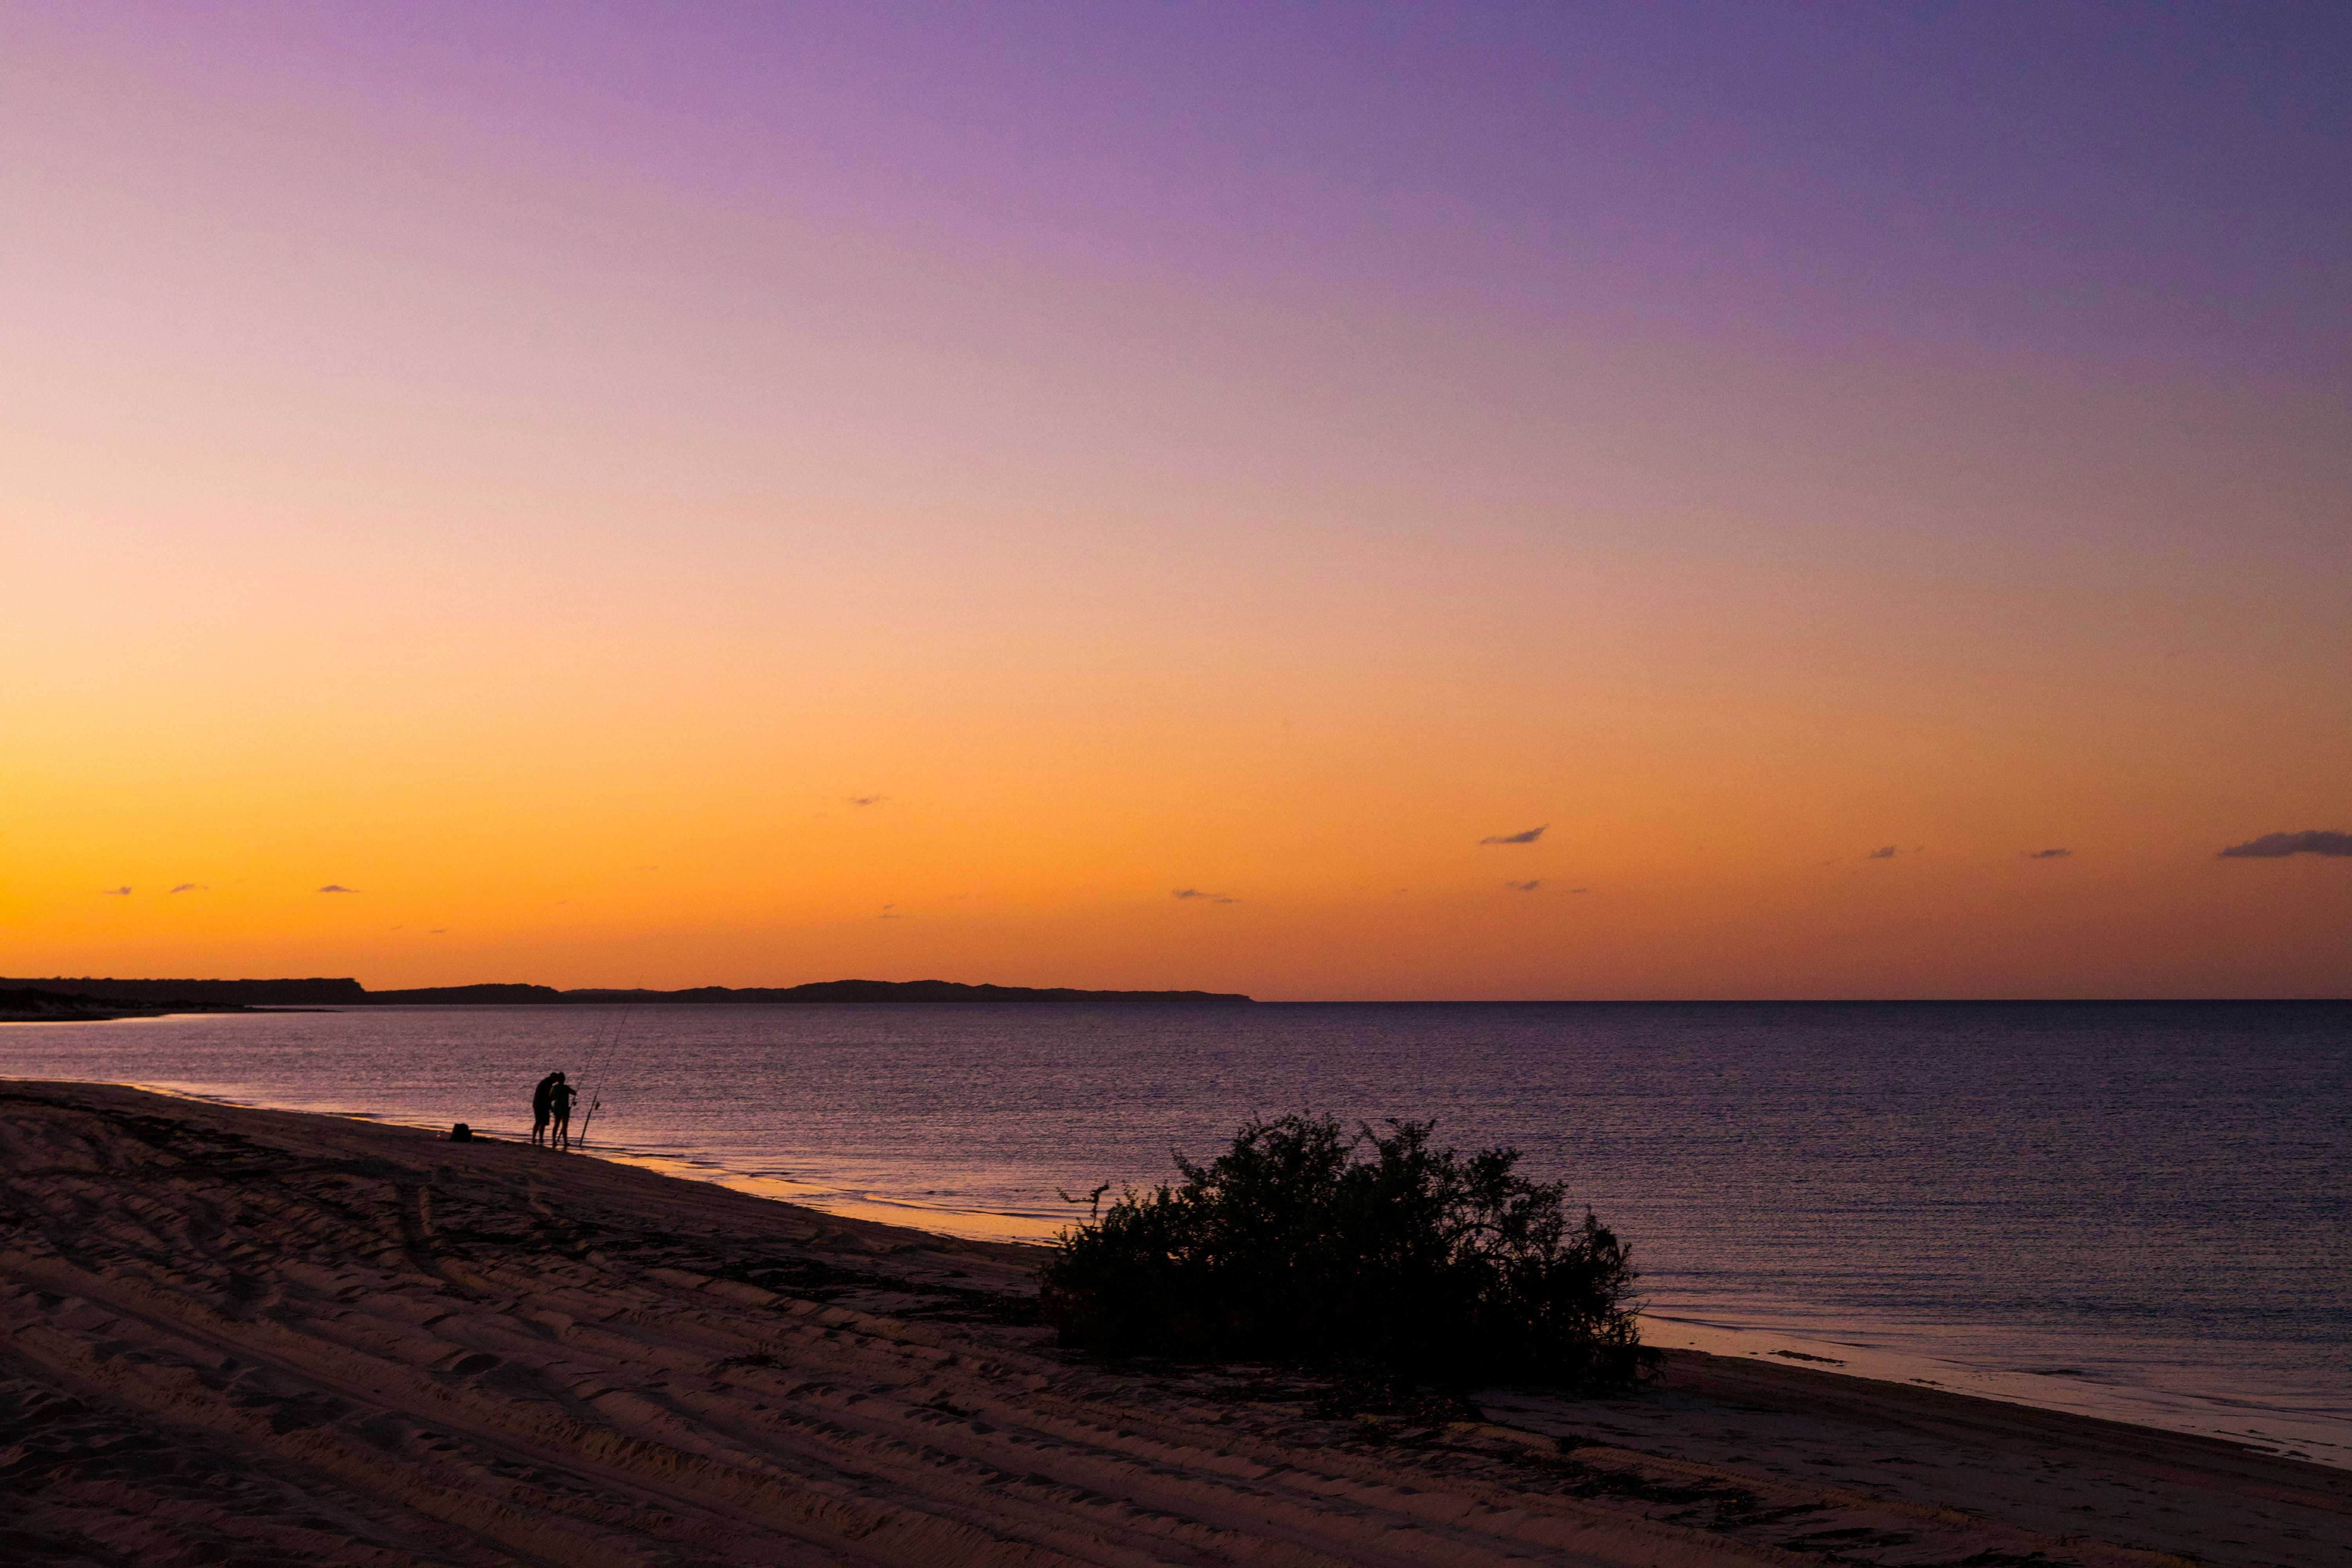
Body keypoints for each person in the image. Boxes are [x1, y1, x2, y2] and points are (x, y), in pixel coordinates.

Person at [531, 1071, 561, 1146]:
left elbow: (547, 1097)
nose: (557, 1081)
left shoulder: (547, 1083)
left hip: (539, 1104)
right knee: (540, 1122)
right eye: (556, 1079)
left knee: (541, 1122)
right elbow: (547, 1097)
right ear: (553, 1077)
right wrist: (551, 1107)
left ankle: (538, 1138)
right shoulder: (547, 1084)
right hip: (540, 1104)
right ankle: (537, 1138)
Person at [548, 1073, 577, 1151]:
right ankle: (565, 1142)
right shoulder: (566, 1088)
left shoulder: (554, 1088)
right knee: (564, 1126)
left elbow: (551, 1097)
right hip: (564, 1109)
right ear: (564, 1080)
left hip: (557, 1108)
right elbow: (574, 1093)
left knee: (556, 1125)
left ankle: (554, 1141)